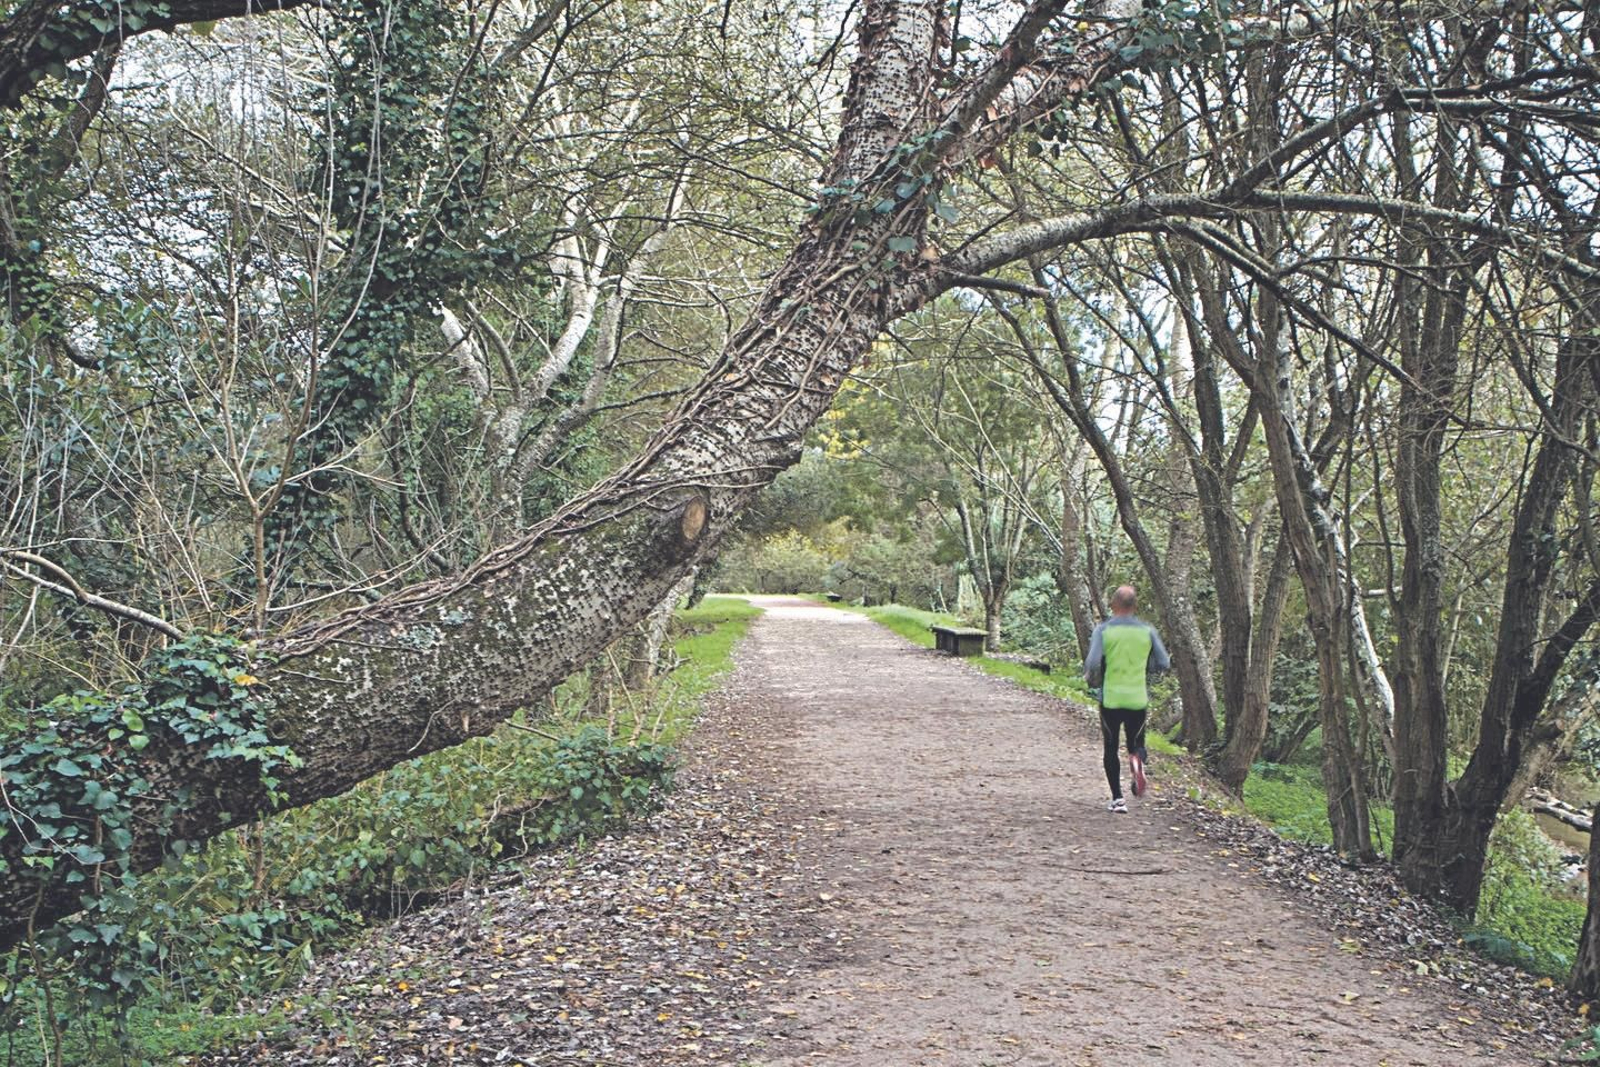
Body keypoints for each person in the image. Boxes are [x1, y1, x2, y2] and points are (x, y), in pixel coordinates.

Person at [1083, 585, 1170, 813]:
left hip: (1111, 699)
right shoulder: (1147, 631)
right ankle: (1137, 761)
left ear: (1113, 605)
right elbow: (1164, 662)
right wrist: (1145, 667)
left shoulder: (1103, 630)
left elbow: (1092, 662)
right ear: (1135, 606)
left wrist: (1092, 676)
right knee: (1136, 744)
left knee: (1111, 747)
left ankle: (1118, 799)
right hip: (1137, 698)